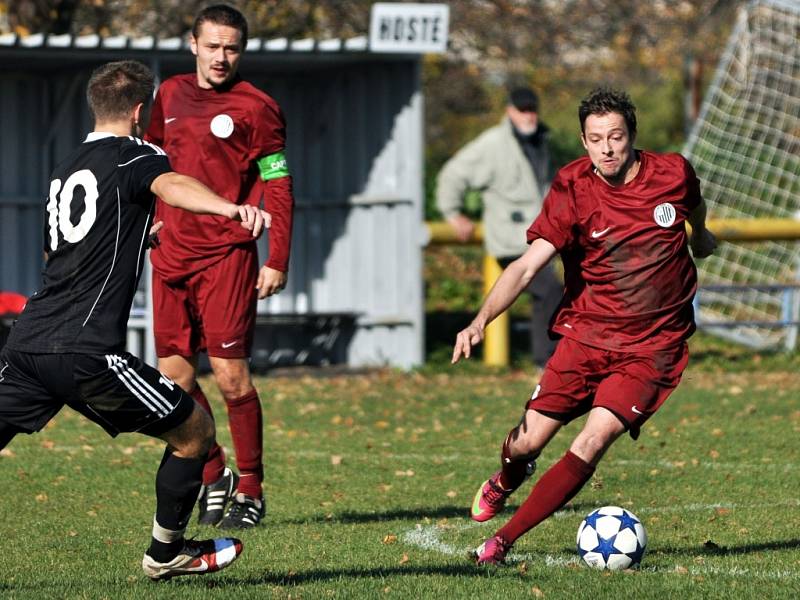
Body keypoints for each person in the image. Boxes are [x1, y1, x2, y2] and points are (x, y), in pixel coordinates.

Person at [0, 60, 271, 579]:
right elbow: (170, 184)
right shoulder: (136, 154)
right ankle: (167, 554)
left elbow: (70, 247)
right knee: (194, 430)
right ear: (142, 110)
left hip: (27, 344)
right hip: (85, 351)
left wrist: (132, 239)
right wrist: (227, 208)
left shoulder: (68, 165)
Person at [451, 87, 718, 565]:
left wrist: (701, 234)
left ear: (632, 136)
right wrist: (479, 321)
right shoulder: (572, 188)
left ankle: (501, 543)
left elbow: (694, 204)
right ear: (583, 141)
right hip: (586, 337)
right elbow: (526, 267)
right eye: (596, 139)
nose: (607, 148)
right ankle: (507, 477)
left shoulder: (672, 173)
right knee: (526, 442)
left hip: (653, 347)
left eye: (616, 136)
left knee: (592, 440)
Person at [145, 4, 294, 529]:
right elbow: (151, 166)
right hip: (169, 256)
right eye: (212, 46)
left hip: (227, 255)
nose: (221, 56)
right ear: (193, 45)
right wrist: (146, 225)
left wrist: (277, 257)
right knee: (173, 379)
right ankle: (215, 470)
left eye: (231, 47)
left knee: (231, 377)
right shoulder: (166, 96)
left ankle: (251, 491)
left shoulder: (258, 107)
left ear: (242, 50)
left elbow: (277, 182)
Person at [436, 86, 562, 367]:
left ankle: (567, 359)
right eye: (522, 110)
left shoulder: (540, 138)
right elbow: (452, 174)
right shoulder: (492, 143)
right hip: (511, 240)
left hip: (540, 237)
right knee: (549, 289)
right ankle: (547, 362)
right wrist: (453, 213)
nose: (529, 116)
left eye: (532, 109)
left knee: (569, 287)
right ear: (509, 111)